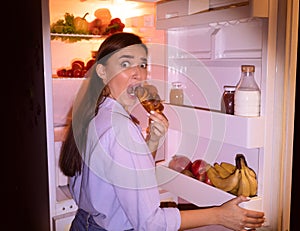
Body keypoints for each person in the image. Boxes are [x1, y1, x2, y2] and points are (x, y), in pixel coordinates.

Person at [59, 32, 265, 231]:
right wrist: (219, 215)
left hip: (83, 223)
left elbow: (124, 176)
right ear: (102, 72)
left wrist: (152, 142)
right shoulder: (121, 128)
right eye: (125, 64)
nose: (138, 74)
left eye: (142, 64)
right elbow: (150, 223)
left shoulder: (92, 112)